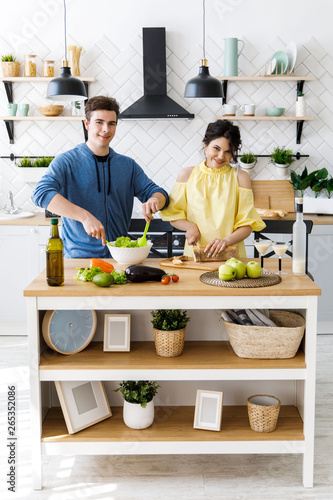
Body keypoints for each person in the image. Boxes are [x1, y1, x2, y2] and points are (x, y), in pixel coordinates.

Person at [32, 96, 169, 258]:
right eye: (99, 122)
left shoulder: (128, 165)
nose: (106, 129)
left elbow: (158, 193)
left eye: (112, 123)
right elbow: (40, 193)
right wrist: (85, 217)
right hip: (79, 259)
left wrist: (155, 200)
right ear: (87, 124)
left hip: (119, 257)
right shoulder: (66, 162)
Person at [161, 119, 265, 258]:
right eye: (216, 148)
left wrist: (225, 241)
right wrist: (190, 227)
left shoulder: (241, 177)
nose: (221, 156)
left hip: (231, 257)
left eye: (228, 152)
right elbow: (173, 216)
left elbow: (247, 225)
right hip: (195, 256)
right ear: (205, 145)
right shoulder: (187, 175)